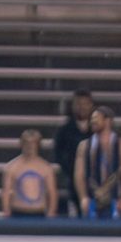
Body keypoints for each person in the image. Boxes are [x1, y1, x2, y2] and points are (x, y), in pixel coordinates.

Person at [74, 106, 121, 220]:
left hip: (114, 200)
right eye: (92, 119)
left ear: (108, 121)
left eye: (96, 118)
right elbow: (79, 175)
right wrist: (83, 197)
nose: (92, 121)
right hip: (92, 199)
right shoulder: (84, 146)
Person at [52, 89, 94, 217]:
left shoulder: (99, 131)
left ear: (91, 105)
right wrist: (72, 171)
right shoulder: (65, 130)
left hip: (96, 181)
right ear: (73, 106)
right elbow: (58, 154)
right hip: (71, 182)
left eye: (85, 103)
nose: (82, 107)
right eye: (78, 104)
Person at [1, 130, 58, 218]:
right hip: (18, 212)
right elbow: (6, 191)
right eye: (27, 143)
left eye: (33, 143)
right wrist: (6, 211)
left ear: (38, 145)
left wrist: (51, 212)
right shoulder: (11, 167)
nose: (30, 146)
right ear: (21, 144)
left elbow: (52, 192)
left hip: (39, 213)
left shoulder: (46, 168)